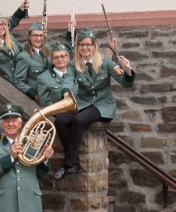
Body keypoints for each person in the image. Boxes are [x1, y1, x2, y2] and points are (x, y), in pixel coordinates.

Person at [53, 29, 135, 179]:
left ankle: (66, 165)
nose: (85, 48)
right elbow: (68, 81)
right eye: (81, 45)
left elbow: (126, 83)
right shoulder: (73, 64)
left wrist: (127, 71)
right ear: (77, 47)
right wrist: (66, 92)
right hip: (83, 103)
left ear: (94, 46)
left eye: (88, 45)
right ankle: (75, 161)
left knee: (79, 121)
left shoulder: (106, 62)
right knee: (60, 120)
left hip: (102, 105)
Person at [14, 22, 50, 101]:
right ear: (29, 37)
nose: (39, 38)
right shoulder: (23, 57)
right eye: (35, 35)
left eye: (41, 35)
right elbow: (18, 81)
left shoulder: (48, 50)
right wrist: (34, 94)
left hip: (51, 93)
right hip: (38, 95)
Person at [37, 41, 76, 106]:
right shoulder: (43, 78)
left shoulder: (76, 72)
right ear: (52, 60)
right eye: (56, 57)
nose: (60, 59)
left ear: (68, 58)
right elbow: (45, 103)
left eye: (62, 56)